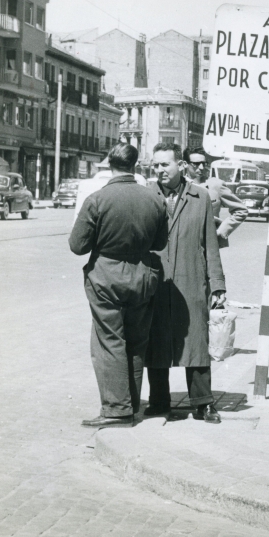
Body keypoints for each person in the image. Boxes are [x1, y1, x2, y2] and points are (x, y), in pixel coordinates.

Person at [69, 143, 168, 429]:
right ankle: (132, 406)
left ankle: (116, 408)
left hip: (107, 276)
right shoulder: (155, 199)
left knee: (110, 341)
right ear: (135, 165)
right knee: (137, 343)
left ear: (109, 165)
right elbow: (160, 243)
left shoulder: (97, 199)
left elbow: (77, 246)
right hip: (143, 276)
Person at [144, 142, 227, 424]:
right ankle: (159, 401)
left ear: (181, 166)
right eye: (155, 165)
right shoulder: (147, 196)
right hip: (156, 282)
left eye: (164, 164)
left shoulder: (201, 197)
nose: (159, 170)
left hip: (191, 281)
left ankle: (203, 403)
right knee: (155, 341)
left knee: (196, 342)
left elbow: (211, 244)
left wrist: (217, 285)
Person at [184, 147, 247, 248]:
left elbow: (241, 210)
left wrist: (221, 231)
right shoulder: (177, 185)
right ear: (185, 164)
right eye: (195, 164)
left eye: (203, 164)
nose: (201, 168)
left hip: (208, 246)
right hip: (182, 245)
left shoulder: (216, 185)